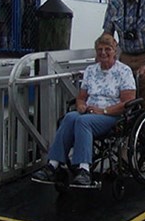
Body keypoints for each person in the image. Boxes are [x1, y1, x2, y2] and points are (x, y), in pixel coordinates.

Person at [31, 34, 136, 186]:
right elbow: (81, 97)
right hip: (90, 112)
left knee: (82, 122)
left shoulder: (124, 71)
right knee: (69, 117)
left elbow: (128, 102)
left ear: (115, 51)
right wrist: (81, 105)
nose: (103, 53)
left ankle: (84, 169)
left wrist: (103, 111)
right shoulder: (91, 70)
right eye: (100, 49)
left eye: (108, 49)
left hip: (112, 115)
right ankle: (53, 165)